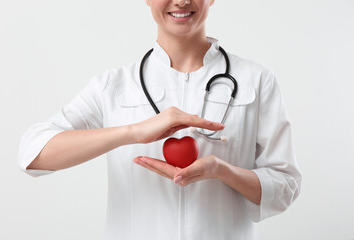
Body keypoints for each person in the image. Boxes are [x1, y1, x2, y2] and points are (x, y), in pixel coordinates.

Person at [18, 0, 302, 239]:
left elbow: (285, 184)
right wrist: (132, 132)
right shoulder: (113, 85)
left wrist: (222, 171)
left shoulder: (256, 80)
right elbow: (33, 153)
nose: (181, 1)